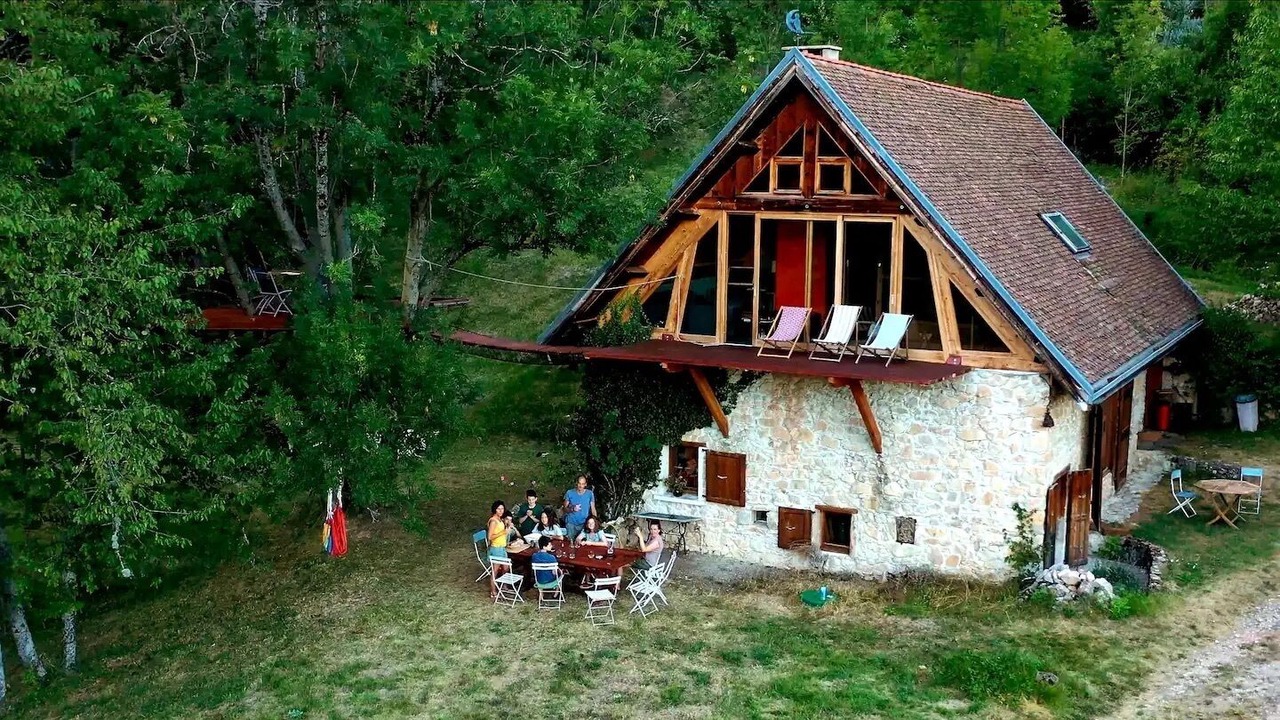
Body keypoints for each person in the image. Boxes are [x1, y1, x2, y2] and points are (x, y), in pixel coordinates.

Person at [486, 500, 511, 598]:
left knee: (506, 568)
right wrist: (504, 532)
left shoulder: (500, 519)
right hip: (496, 548)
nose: (501, 511)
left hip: (502, 548)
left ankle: (504, 585)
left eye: (502, 509)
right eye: (498, 509)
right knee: (495, 570)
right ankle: (493, 591)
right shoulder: (493, 521)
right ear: (495, 509)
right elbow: (490, 537)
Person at [562, 475, 597, 541]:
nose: (581, 486)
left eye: (583, 484)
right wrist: (572, 509)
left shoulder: (590, 494)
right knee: (570, 543)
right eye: (579, 483)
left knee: (582, 543)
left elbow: (593, 509)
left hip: (584, 523)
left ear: (585, 484)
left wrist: (595, 522)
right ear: (576, 483)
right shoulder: (569, 493)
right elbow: (564, 508)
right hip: (571, 523)